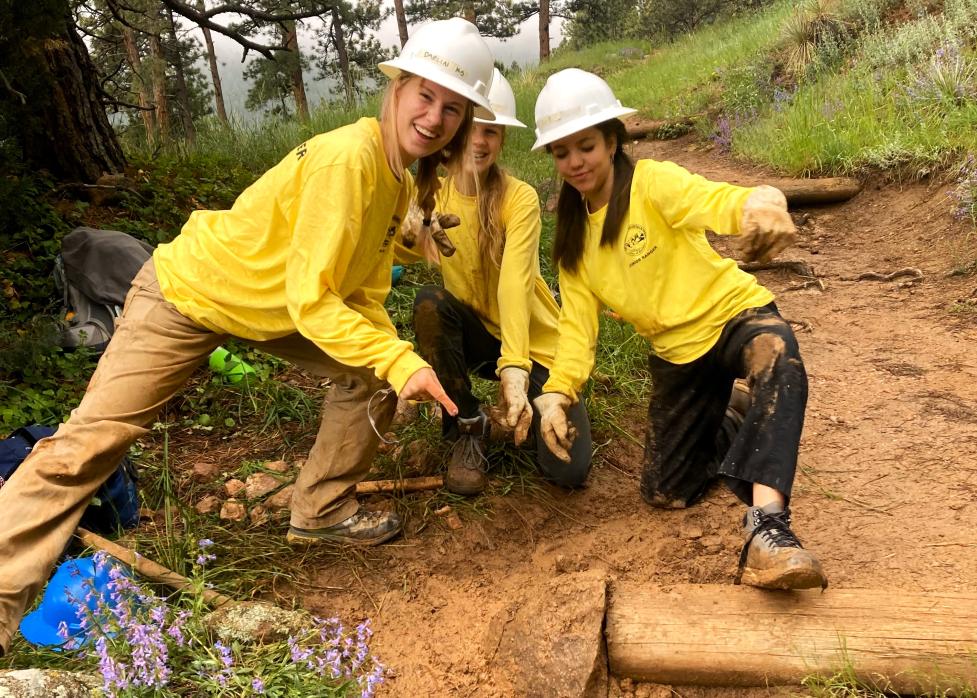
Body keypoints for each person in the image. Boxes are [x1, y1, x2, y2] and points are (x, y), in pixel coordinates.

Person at [0, 17, 497, 657]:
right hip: (189, 295)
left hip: (271, 307)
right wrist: (400, 361)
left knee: (370, 367)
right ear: (396, 90)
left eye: (452, 108)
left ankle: (319, 513)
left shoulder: (396, 177)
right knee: (89, 446)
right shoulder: (349, 159)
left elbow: (361, 296)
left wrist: (391, 359)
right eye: (424, 96)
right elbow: (312, 299)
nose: (434, 117)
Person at [530, 68, 827, 591]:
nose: (574, 162)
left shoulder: (652, 184)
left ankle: (768, 529)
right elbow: (576, 334)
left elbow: (717, 200)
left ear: (612, 140)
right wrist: (556, 394)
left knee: (777, 354)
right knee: (667, 493)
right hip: (676, 355)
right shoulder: (573, 243)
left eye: (586, 146)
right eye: (561, 152)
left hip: (733, 316)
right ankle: (735, 415)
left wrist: (763, 203)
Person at [407, 69, 592, 496]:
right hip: (477, 336)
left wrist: (515, 370)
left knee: (568, 472)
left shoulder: (519, 198)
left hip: (535, 345)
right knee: (430, 304)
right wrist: (403, 234)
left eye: (491, 131)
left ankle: (535, 401)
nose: (480, 141)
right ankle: (467, 427)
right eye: (471, 128)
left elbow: (514, 284)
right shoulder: (430, 195)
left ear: (502, 138)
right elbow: (387, 255)